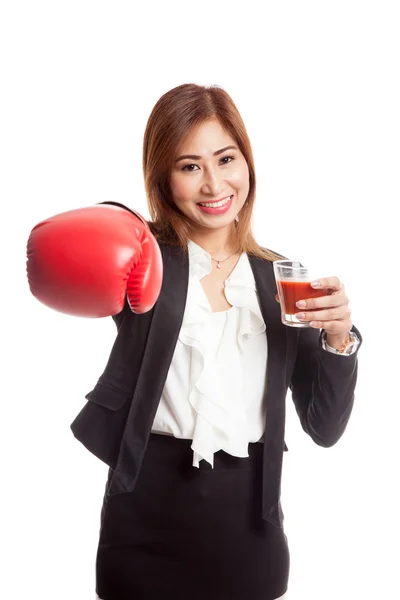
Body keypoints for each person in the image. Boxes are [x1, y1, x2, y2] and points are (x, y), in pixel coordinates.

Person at [26, 83, 362, 600]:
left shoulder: (282, 280)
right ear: (164, 177)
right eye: (189, 166)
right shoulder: (145, 259)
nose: (213, 184)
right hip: (143, 519)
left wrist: (339, 337)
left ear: (247, 162)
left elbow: (325, 428)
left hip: (251, 525)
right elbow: (84, 238)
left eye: (226, 159)